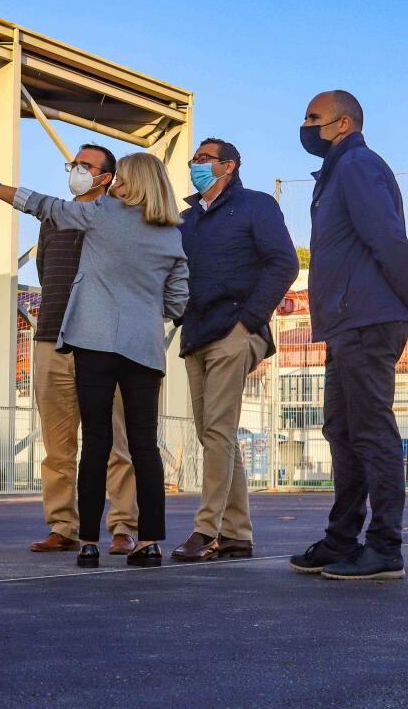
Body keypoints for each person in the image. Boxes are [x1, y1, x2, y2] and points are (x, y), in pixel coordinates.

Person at [0, 152, 187, 568]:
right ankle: (148, 541)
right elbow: (177, 302)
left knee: (95, 444)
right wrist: (140, 310)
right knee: (142, 446)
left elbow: (40, 203)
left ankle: (90, 542)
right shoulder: (171, 235)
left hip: (92, 343)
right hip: (144, 351)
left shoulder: (100, 214)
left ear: (124, 181)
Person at [288, 90, 408, 581]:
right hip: (346, 320)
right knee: (342, 430)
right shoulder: (338, 172)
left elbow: (387, 237)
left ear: (343, 124)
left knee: (370, 429)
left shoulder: (357, 166)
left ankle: (384, 547)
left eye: (314, 118)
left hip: (366, 319)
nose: (305, 125)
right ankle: (341, 541)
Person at [170, 138, 299, 562]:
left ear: (229, 166)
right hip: (196, 334)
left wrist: (248, 321)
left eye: (204, 159)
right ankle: (237, 533)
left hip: (233, 331)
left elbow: (284, 262)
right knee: (216, 435)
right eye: (195, 159)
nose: (196, 165)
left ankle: (205, 530)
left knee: (218, 432)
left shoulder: (255, 207)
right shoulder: (186, 221)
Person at [29, 144, 139, 556]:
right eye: (74, 164)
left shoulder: (121, 218)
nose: (76, 170)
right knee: (57, 445)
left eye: (86, 165)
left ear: (107, 177)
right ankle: (63, 525)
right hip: (51, 340)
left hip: (103, 344)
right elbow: (46, 272)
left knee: (114, 441)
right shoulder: (53, 217)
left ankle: (124, 526)